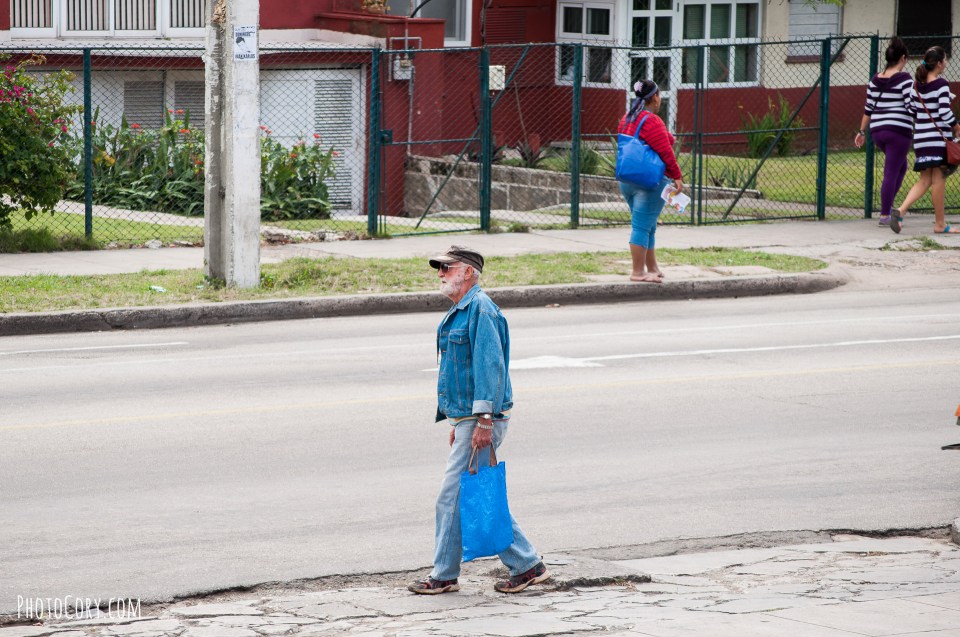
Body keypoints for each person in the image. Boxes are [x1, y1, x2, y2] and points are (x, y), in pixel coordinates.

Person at [408, 245, 548, 595]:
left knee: (452, 497)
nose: (440, 273)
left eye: (446, 267)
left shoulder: (481, 310)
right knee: (472, 496)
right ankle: (525, 565)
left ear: (467, 272)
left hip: (482, 419)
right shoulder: (461, 310)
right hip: (469, 419)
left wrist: (483, 421)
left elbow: (490, 368)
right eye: (439, 268)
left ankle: (447, 574)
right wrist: (458, 422)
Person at [617, 79, 683, 283]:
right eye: (659, 95)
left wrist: (665, 135)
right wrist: (677, 176)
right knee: (641, 227)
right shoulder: (653, 121)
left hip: (627, 181)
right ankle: (638, 272)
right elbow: (666, 152)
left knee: (648, 224)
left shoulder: (627, 118)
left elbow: (661, 140)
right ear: (654, 97)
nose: (660, 99)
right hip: (649, 183)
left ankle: (652, 267)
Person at [891, 45, 960, 235]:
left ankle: (900, 210)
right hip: (937, 139)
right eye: (945, 60)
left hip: (921, 137)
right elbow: (944, 111)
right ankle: (940, 224)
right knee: (939, 179)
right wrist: (956, 127)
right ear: (939, 63)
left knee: (925, 180)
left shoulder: (916, 86)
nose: (946, 63)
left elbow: (912, 109)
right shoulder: (942, 84)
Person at [855, 37, 912, 226]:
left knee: (901, 167)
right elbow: (910, 105)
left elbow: (868, 108)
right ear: (902, 58)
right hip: (898, 131)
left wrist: (861, 132)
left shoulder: (875, 79)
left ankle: (888, 206)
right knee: (891, 171)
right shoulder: (904, 79)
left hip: (878, 131)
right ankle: (885, 214)